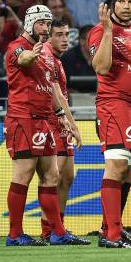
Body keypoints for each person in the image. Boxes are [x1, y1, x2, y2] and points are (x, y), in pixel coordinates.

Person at [3, 4, 85, 246]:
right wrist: (33, 53)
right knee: (23, 174)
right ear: (30, 23)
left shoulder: (48, 58)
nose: (46, 28)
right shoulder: (17, 47)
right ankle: (15, 234)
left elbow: (51, 88)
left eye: (48, 23)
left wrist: (61, 115)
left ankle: (57, 232)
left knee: (52, 175)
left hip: (43, 120)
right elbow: (24, 59)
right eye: (42, 23)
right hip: (23, 118)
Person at [88, 0, 131, 248]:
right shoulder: (99, 31)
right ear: (111, 4)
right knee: (115, 166)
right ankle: (111, 234)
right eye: (121, 1)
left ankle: (111, 228)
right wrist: (109, 32)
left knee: (127, 173)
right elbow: (101, 68)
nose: (127, 6)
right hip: (113, 105)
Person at [38, 19, 88, 244]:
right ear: (48, 37)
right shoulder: (47, 56)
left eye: (67, 34)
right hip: (51, 122)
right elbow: (55, 92)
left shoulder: (56, 59)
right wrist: (72, 123)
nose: (65, 39)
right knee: (52, 178)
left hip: (61, 124)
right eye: (59, 34)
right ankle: (49, 231)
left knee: (67, 177)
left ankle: (59, 227)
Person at [61, 24, 96, 92]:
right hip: (73, 97)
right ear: (82, 41)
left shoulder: (102, 56)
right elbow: (63, 85)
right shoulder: (68, 58)